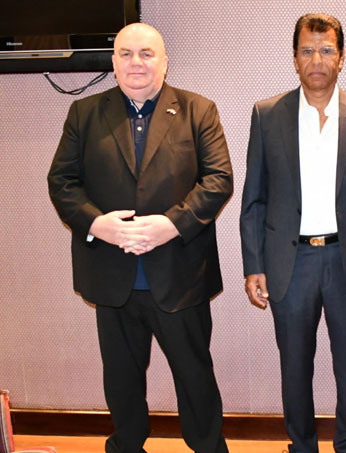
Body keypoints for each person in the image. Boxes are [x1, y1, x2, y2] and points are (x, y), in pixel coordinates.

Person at [48, 23, 232, 453]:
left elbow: (218, 180)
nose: (136, 63)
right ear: (113, 63)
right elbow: (62, 182)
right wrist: (98, 224)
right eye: (126, 54)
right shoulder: (84, 113)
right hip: (112, 277)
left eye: (147, 54)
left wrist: (171, 224)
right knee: (122, 381)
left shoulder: (198, 110)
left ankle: (208, 447)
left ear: (164, 63)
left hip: (180, 275)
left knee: (196, 380)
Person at [239, 13, 346, 453]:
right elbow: (254, 199)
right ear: (294, 58)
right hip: (291, 263)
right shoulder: (268, 114)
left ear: (341, 58)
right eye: (307, 51)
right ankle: (302, 446)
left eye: (327, 50)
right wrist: (254, 264)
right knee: (294, 368)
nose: (317, 60)